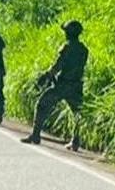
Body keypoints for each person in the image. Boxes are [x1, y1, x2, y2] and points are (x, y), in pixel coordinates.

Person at [22, 21, 89, 151]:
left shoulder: (67, 47)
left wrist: (47, 75)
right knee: (78, 113)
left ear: (68, 33)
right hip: (76, 86)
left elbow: (58, 66)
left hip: (63, 85)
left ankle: (35, 135)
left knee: (42, 104)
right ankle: (75, 141)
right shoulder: (84, 50)